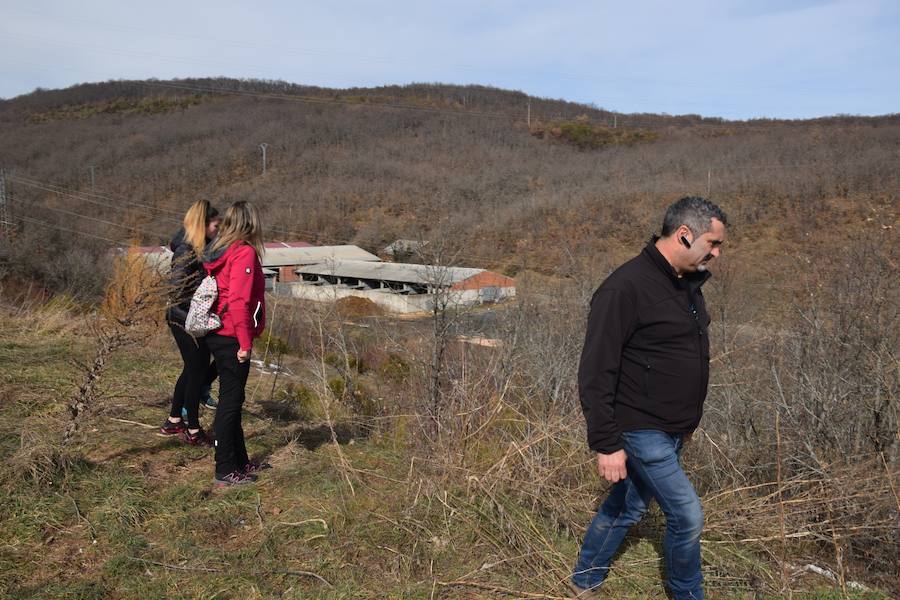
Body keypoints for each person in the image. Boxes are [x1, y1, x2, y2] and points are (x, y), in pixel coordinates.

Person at [571, 197, 728, 600]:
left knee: (628, 506)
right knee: (687, 515)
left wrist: (686, 426)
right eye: (712, 243)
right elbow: (595, 370)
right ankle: (687, 593)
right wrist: (606, 443)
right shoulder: (625, 287)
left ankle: (585, 577)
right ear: (683, 234)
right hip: (641, 426)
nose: (717, 253)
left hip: (673, 427)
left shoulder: (687, 284)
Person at [202, 201, 269, 487]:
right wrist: (244, 343)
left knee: (233, 399)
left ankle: (240, 461)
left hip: (219, 331)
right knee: (229, 403)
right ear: (250, 224)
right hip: (231, 335)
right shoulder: (243, 253)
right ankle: (225, 469)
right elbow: (240, 302)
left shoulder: (221, 252)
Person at [159, 199, 221, 445]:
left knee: (192, 368)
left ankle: (174, 420)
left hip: (189, 317)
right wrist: (196, 313)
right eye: (215, 225)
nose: (218, 229)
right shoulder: (187, 250)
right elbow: (177, 291)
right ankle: (193, 430)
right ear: (203, 225)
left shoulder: (201, 247)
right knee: (196, 370)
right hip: (183, 318)